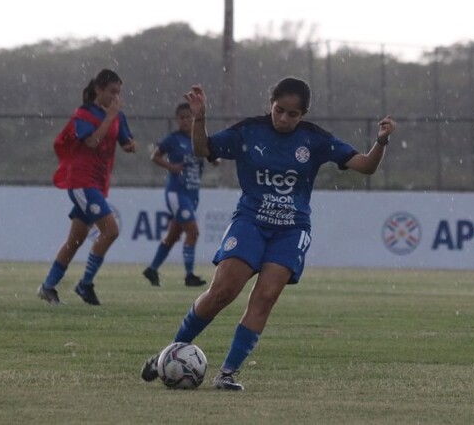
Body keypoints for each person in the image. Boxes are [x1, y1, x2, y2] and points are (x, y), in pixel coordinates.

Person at [140, 76, 396, 390]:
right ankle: (170, 353)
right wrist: (200, 117)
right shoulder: (248, 131)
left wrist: (381, 141)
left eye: (293, 114)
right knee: (222, 292)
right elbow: (201, 148)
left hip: (291, 229)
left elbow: (366, 166)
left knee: (265, 297)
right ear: (270, 104)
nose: (285, 119)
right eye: (279, 110)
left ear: (304, 114)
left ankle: (228, 374)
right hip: (250, 222)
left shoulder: (314, 139)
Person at [37, 69, 136, 306]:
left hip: (99, 183)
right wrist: (110, 117)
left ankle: (48, 287)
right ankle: (85, 284)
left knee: (75, 240)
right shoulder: (84, 114)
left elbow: (126, 142)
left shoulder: (116, 116)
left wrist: (131, 144)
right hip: (82, 181)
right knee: (111, 230)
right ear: (98, 90)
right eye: (112, 91)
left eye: (119, 92)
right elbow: (91, 142)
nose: (116, 97)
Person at [142, 102, 216, 287]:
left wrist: (215, 159)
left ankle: (152, 269)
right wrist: (171, 167)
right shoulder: (173, 139)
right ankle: (189, 275)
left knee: (173, 236)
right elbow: (155, 155)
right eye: (181, 118)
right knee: (193, 231)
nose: (185, 121)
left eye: (188, 117)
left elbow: (213, 156)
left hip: (192, 194)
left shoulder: (198, 139)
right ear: (177, 120)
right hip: (177, 193)